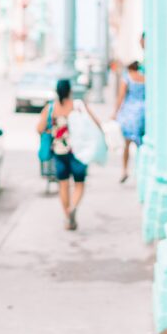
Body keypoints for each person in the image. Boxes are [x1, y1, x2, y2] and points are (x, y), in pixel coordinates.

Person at [37, 79, 101, 231]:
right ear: (70, 91)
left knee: (63, 185)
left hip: (59, 152)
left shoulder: (50, 108)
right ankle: (73, 207)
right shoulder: (78, 106)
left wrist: (53, 132)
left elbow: (39, 128)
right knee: (79, 184)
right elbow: (96, 123)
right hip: (78, 152)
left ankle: (67, 217)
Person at [112, 61, 145, 183]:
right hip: (142, 112)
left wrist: (115, 113)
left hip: (129, 113)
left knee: (126, 144)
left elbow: (121, 96)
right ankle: (140, 171)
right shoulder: (145, 78)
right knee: (140, 145)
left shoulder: (127, 78)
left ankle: (125, 170)